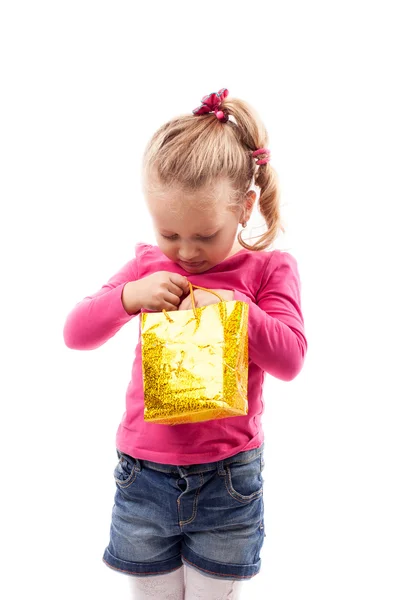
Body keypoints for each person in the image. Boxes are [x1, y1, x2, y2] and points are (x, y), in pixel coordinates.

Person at [63, 87, 308, 599]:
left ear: (244, 208)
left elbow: (289, 359)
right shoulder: (147, 266)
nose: (187, 252)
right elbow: (76, 333)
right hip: (144, 475)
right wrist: (128, 297)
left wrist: (235, 312)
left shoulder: (269, 271)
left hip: (228, 479)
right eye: (170, 233)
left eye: (205, 235)